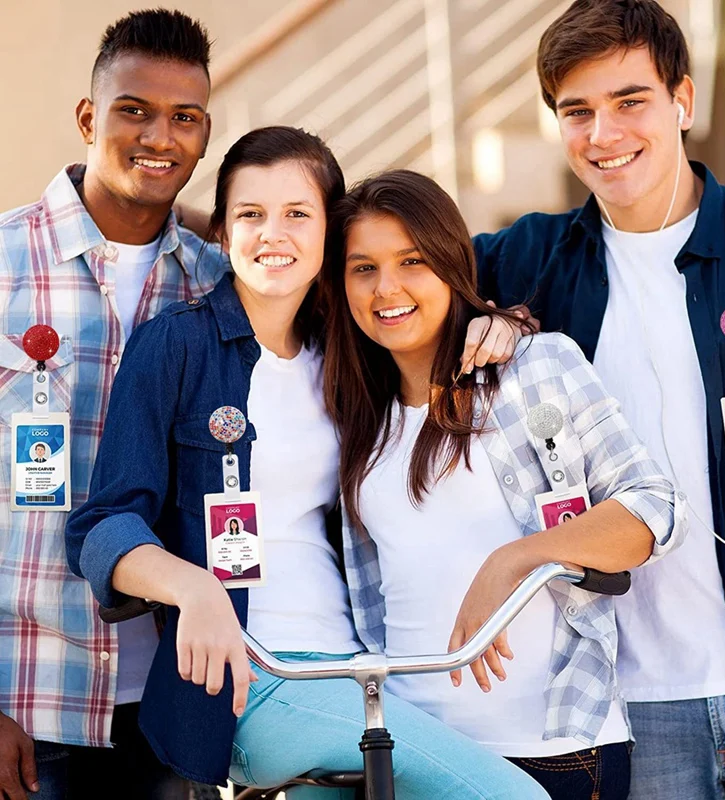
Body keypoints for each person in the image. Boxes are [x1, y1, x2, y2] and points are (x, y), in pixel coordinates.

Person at [66, 126, 546, 797]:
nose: (273, 234)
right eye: (250, 214)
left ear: (329, 232)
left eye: (297, 214)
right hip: (256, 679)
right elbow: (103, 526)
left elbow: (439, 293)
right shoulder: (175, 347)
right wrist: (192, 587)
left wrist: (503, 323)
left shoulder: (349, 350)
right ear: (224, 231)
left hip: (364, 670)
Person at [471, 1, 725, 796]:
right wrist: (479, 324)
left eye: (629, 102)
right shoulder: (531, 261)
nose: (602, 134)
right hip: (628, 707)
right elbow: (379, 281)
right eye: (576, 111)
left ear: (683, 101)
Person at [323, 169, 684, 800]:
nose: (387, 288)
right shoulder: (357, 416)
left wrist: (516, 561)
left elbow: (654, 510)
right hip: (411, 751)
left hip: (554, 751)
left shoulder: (536, 369)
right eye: (363, 268)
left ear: (451, 262)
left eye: (412, 260)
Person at [0, 9, 228, 800]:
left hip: (175, 705)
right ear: (90, 118)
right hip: (27, 703)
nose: (159, 137)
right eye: (135, 110)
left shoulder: (218, 284)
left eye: (185, 118)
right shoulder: (2, 263)